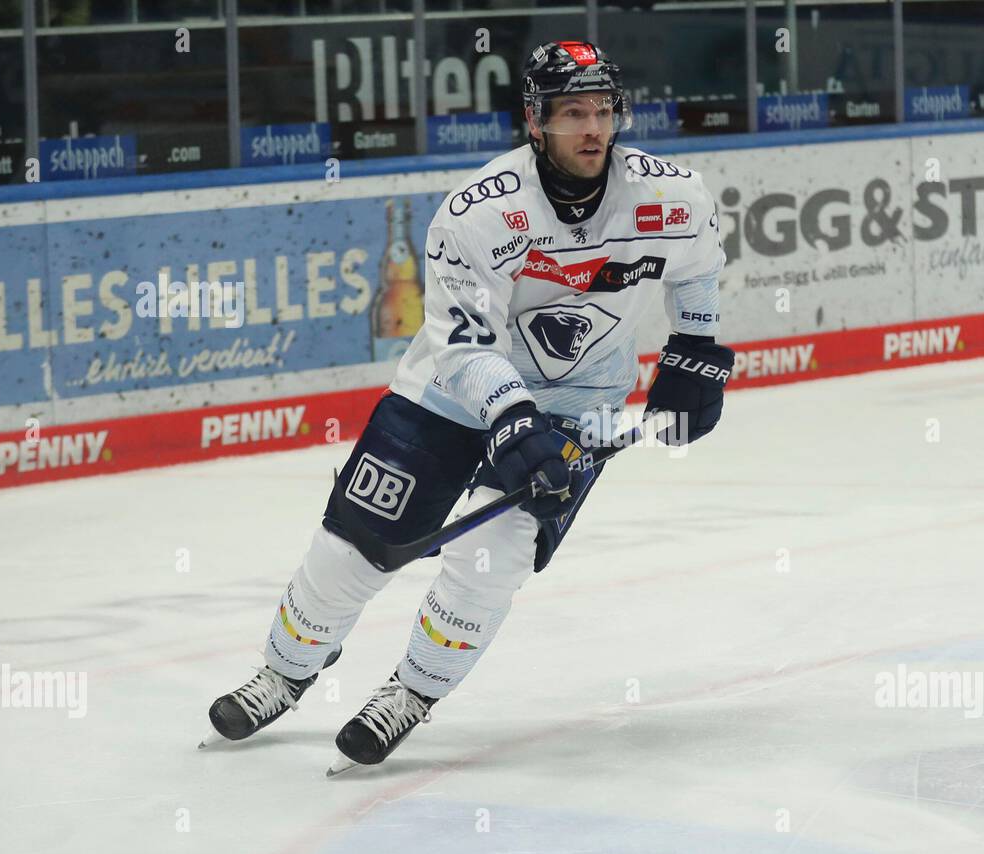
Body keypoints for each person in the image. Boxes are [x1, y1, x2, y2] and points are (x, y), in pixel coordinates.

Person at [204, 40, 734, 774]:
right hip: (450, 391)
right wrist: (514, 417)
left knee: (492, 559)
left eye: (604, 111)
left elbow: (700, 266)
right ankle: (284, 672)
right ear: (534, 121)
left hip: (581, 401)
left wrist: (695, 353)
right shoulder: (479, 213)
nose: (593, 129)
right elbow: (463, 347)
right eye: (573, 112)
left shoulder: (671, 195)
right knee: (351, 547)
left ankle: (412, 691)